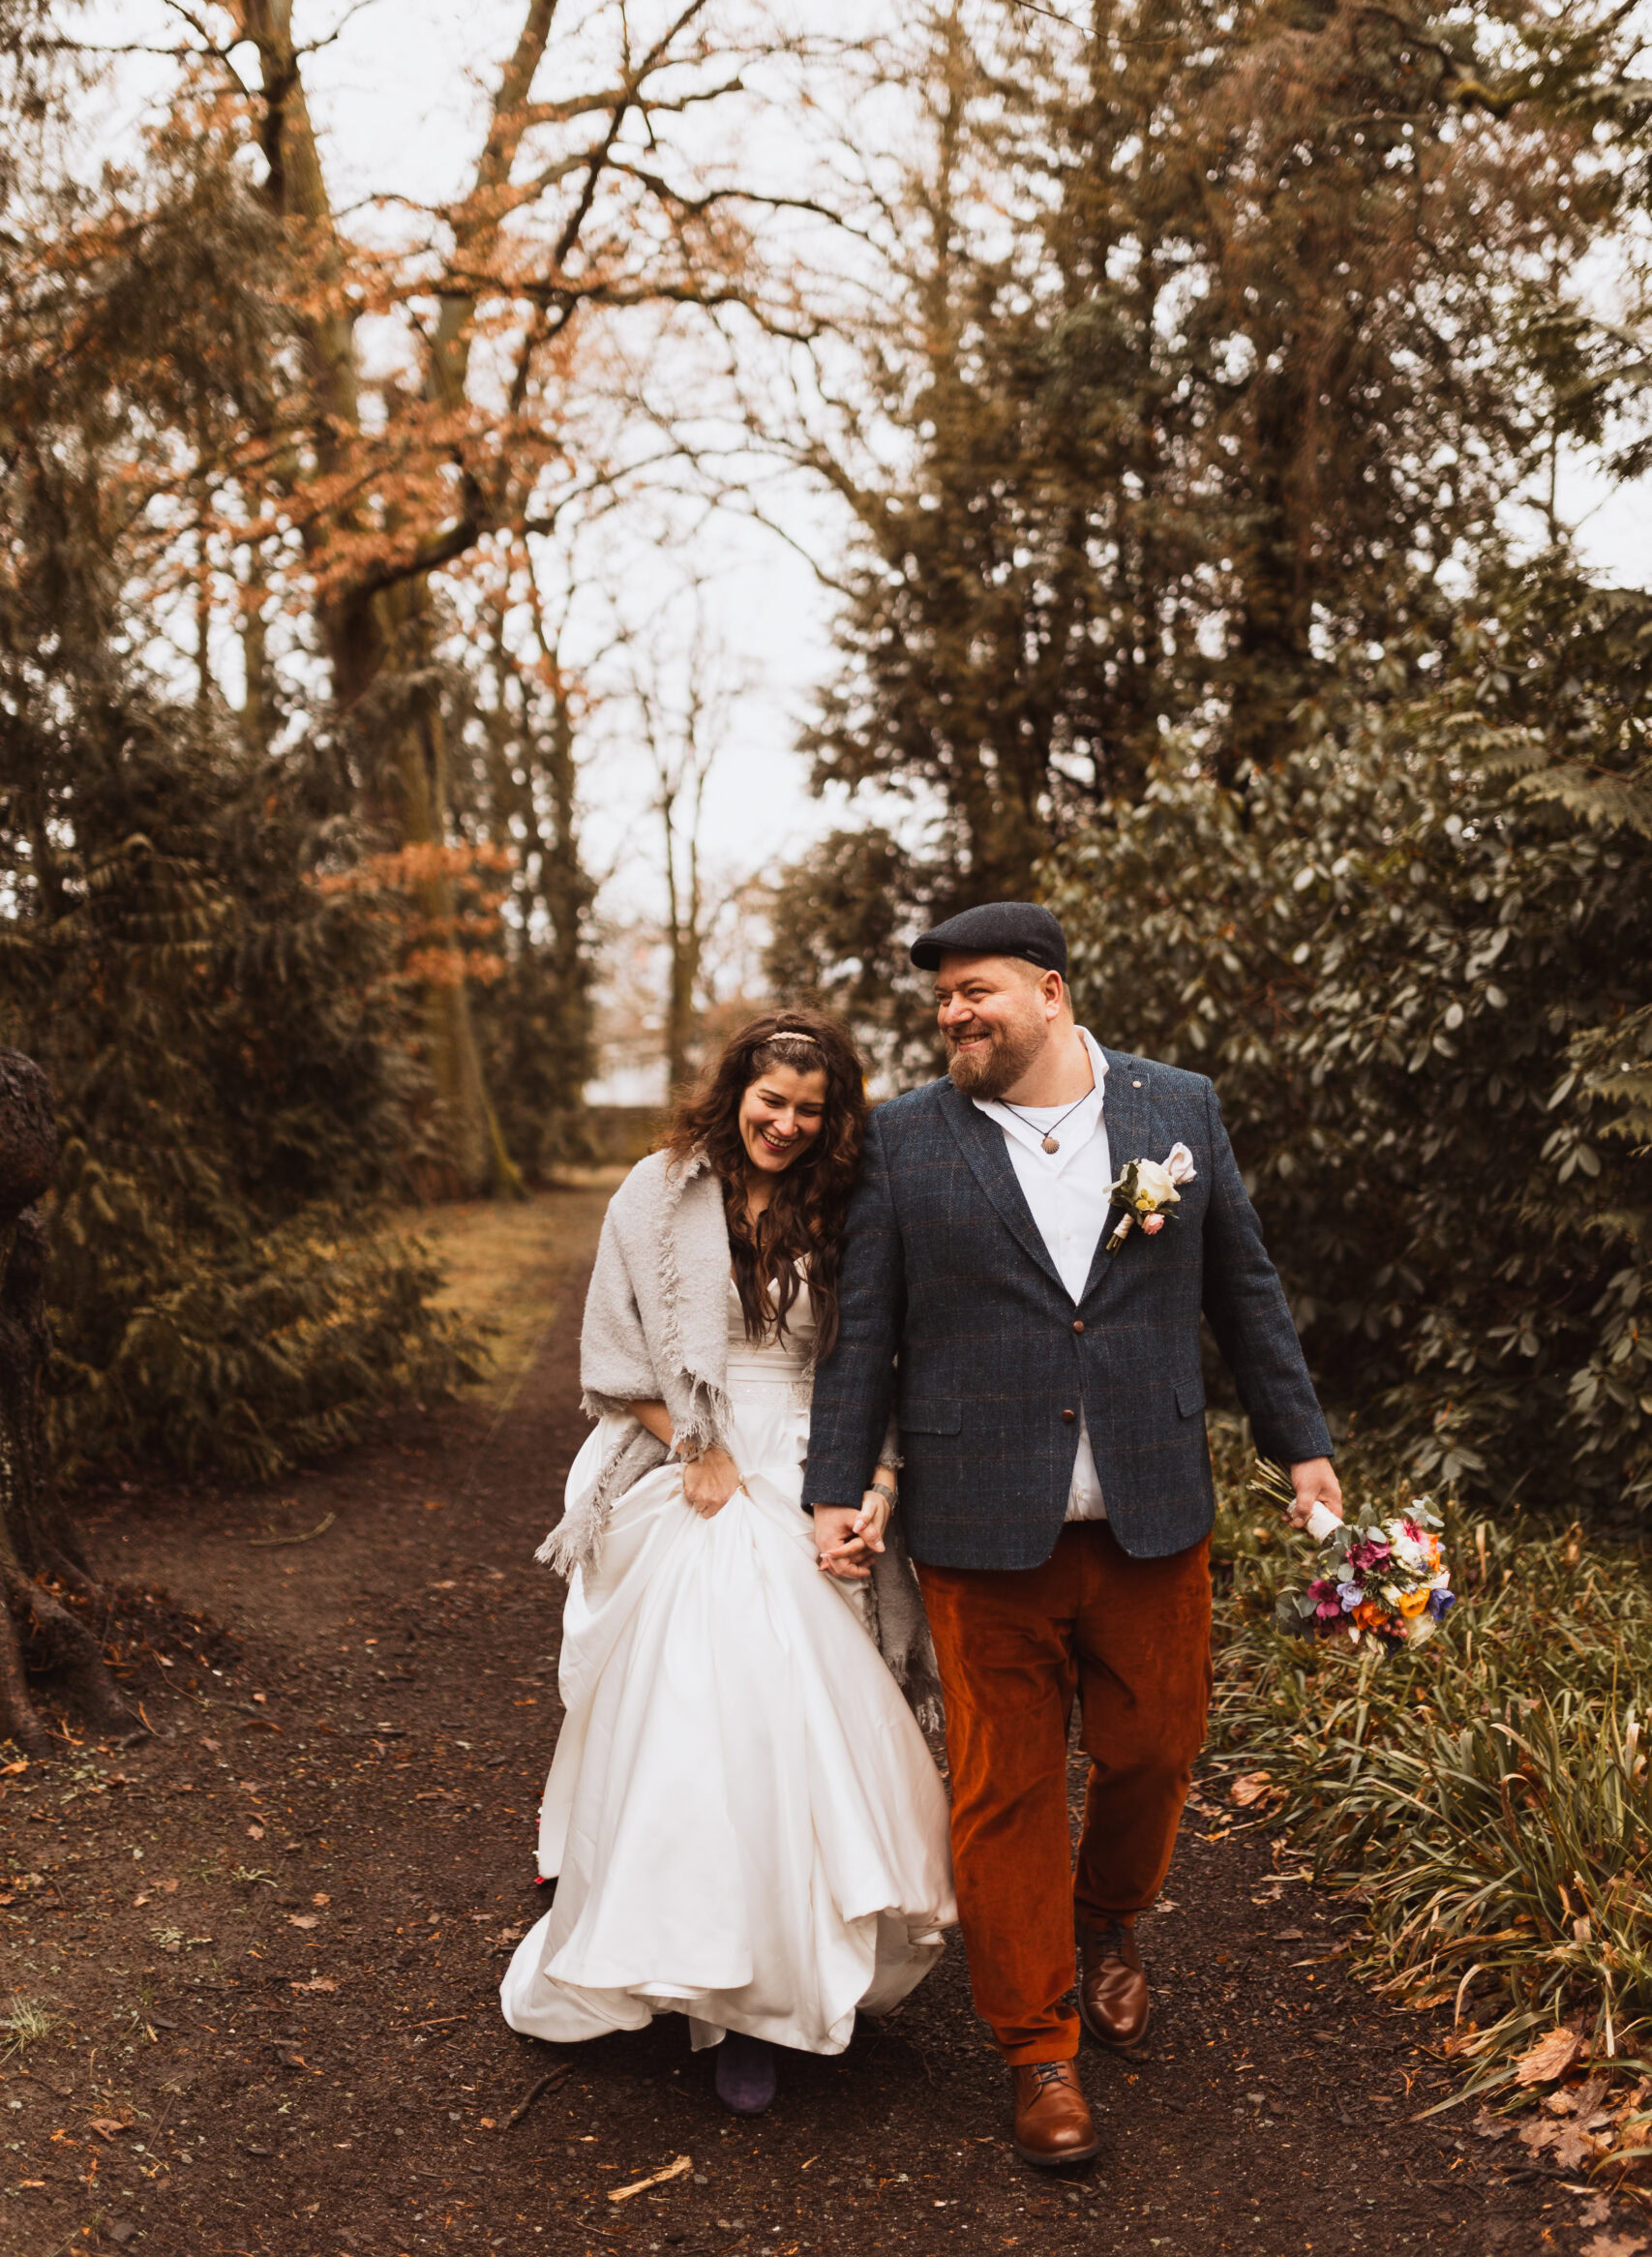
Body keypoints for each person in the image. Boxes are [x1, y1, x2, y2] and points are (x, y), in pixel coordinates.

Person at [803, 902, 1341, 2168]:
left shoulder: (1176, 1112)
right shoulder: (902, 1141)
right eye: (940, 997)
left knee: (1154, 1751)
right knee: (1002, 1789)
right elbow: (863, 1327)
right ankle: (1034, 2048)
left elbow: (1243, 1293)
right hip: (979, 1524)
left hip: (1151, 1511)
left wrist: (1299, 1446)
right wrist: (838, 1477)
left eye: (973, 990)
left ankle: (1106, 1916)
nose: (951, 1014)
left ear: (1047, 991)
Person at [501, 1011, 954, 2116]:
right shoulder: (654, 1193)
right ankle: (686, 1972)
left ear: (832, 1116)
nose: (787, 1125)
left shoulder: (847, 1210)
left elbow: (876, 1366)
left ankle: (766, 1999)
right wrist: (695, 1447)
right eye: (771, 1102)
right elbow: (612, 1360)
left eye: (810, 1109)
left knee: (797, 1727)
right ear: (735, 1091)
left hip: (813, 1460)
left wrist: (872, 1487)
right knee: (694, 1716)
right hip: (686, 1459)